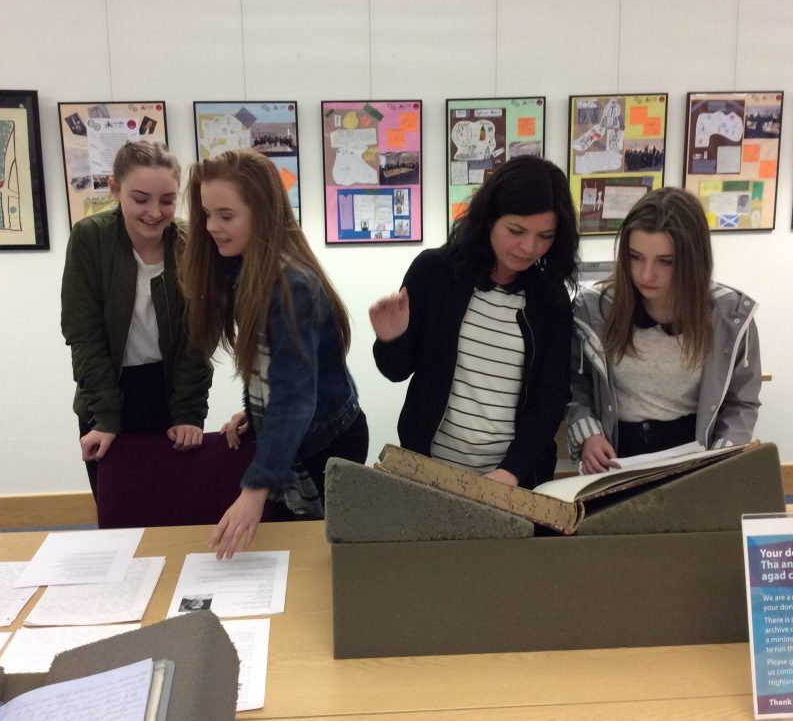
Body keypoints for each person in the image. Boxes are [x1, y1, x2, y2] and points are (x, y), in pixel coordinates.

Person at [181, 149, 367, 558]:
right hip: (305, 432)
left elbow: (297, 398)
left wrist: (254, 490)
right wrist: (258, 412)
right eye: (207, 214)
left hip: (326, 446)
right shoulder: (249, 270)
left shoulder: (292, 287)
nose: (212, 227)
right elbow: (280, 374)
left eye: (226, 216)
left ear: (262, 213)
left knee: (315, 556)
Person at [369, 156, 579, 489]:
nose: (529, 247)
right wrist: (391, 339)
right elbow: (397, 371)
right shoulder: (435, 271)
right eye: (516, 231)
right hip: (431, 470)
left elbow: (550, 398)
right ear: (489, 218)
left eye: (545, 236)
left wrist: (512, 471)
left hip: (512, 478)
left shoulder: (550, 299)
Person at [567, 187, 761, 474]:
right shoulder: (594, 309)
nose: (646, 274)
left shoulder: (730, 316)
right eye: (635, 257)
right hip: (617, 454)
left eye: (665, 261)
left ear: (694, 260)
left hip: (694, 453)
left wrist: (721, 458)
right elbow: (575, 385)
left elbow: (741, 401)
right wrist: (588, 435)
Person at [61, 141, 212, 499]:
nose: (155, 212)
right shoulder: (90, 238)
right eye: (140, 199)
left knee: (173, 505)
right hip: (106, 391)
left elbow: (198, 336)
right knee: (117, 510)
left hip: (170, 390)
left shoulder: (190, 242)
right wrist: (106, 418)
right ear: (115, 189)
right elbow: (84, 334)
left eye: (167, 200)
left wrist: (189, 412)